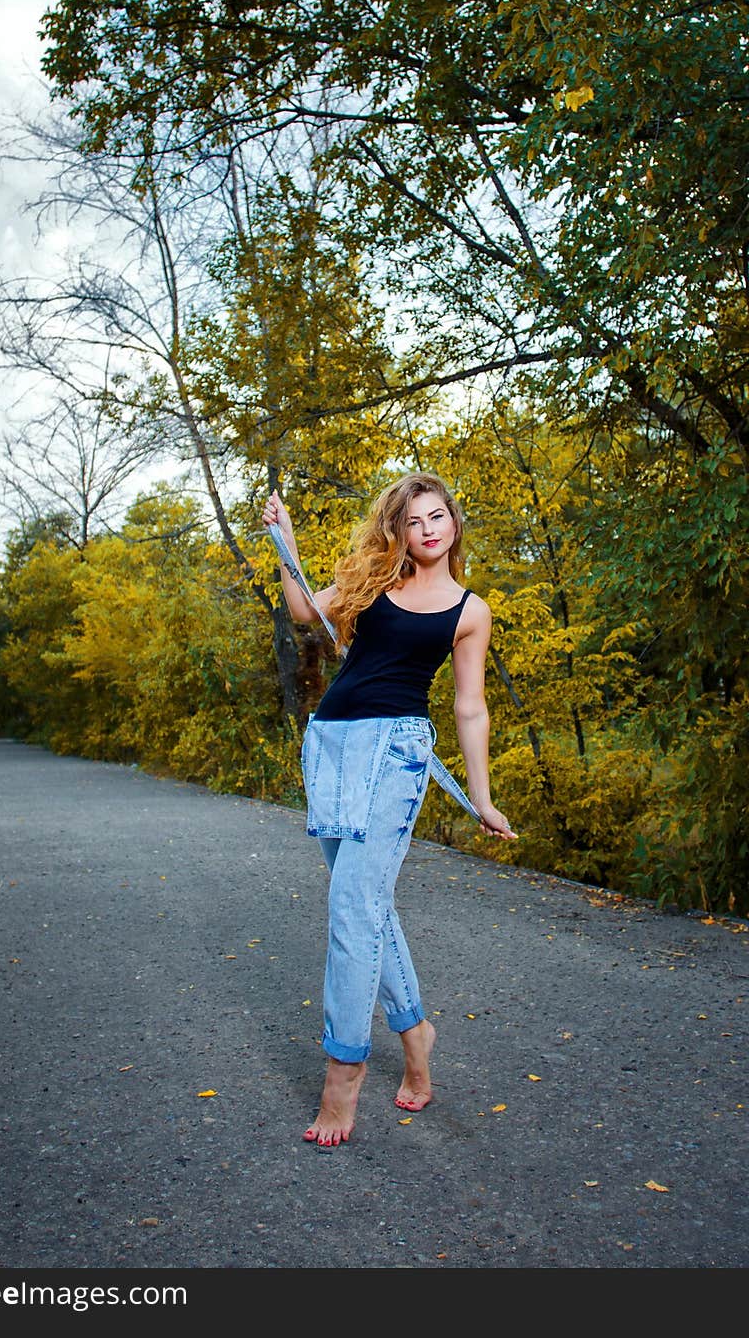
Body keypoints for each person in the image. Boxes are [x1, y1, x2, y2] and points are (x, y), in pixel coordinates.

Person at [262, 472, 516, 1147]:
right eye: (414, 520)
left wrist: (480, 796)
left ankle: (342, 1080)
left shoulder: (470, 611)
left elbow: (470, 705)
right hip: (332, 745)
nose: (428, 528)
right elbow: (300, 612)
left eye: (438, 516)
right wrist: (284, 543)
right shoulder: (374, 581)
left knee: (352, 904)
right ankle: (417, 1032)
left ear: (453, 522)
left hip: (395, 756)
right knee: (368, 904)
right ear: (398, 530)